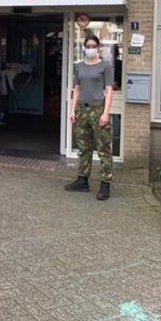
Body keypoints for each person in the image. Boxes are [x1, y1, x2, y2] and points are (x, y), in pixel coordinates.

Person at [66, 34, 114, 200]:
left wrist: (106, 112)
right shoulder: (79, 66)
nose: (91, 49)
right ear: (84, 48)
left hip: (98, 109)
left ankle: (105, 184)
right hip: (82, 110)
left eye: (94, 46)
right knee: (83, 147)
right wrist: (73, 110)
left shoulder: (105, 66)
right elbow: (77, 89)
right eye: (88, 46)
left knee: (103, 148)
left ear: (98, 48)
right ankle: (82, 180)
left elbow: (109, 90)